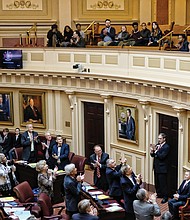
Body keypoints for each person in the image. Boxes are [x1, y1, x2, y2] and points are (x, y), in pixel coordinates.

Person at [150, 133, 170, 204]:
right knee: (157, 182)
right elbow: (153, 155)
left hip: (162, 168)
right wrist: (152, 151)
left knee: (163, 183)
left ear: (164, 139)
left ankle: (165, 197)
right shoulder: (157, 145)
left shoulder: (166, 147)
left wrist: (156, 151)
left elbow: (162, 156)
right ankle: (159, 194)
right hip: (156, 167)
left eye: (160, 138)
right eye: (158, 138)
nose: (159, 140)